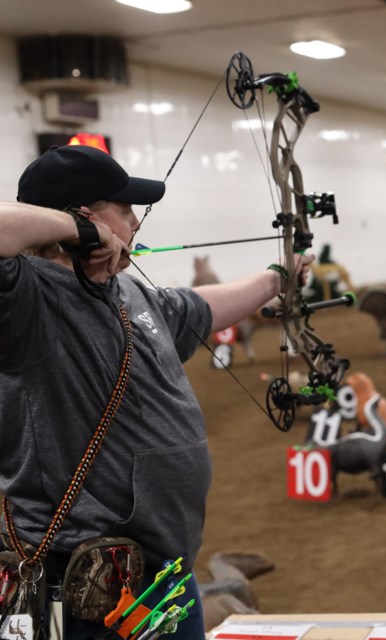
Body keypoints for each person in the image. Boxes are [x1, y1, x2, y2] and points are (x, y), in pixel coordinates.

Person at [0, 144, 313, 639]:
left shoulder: (126, 293)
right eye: (123, 210)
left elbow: (199, 308)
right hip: (86, 590)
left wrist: (277, 279)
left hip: (161, 576)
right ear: (83, 217)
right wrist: (78, 232)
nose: (135, 222)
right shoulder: (24, 298)